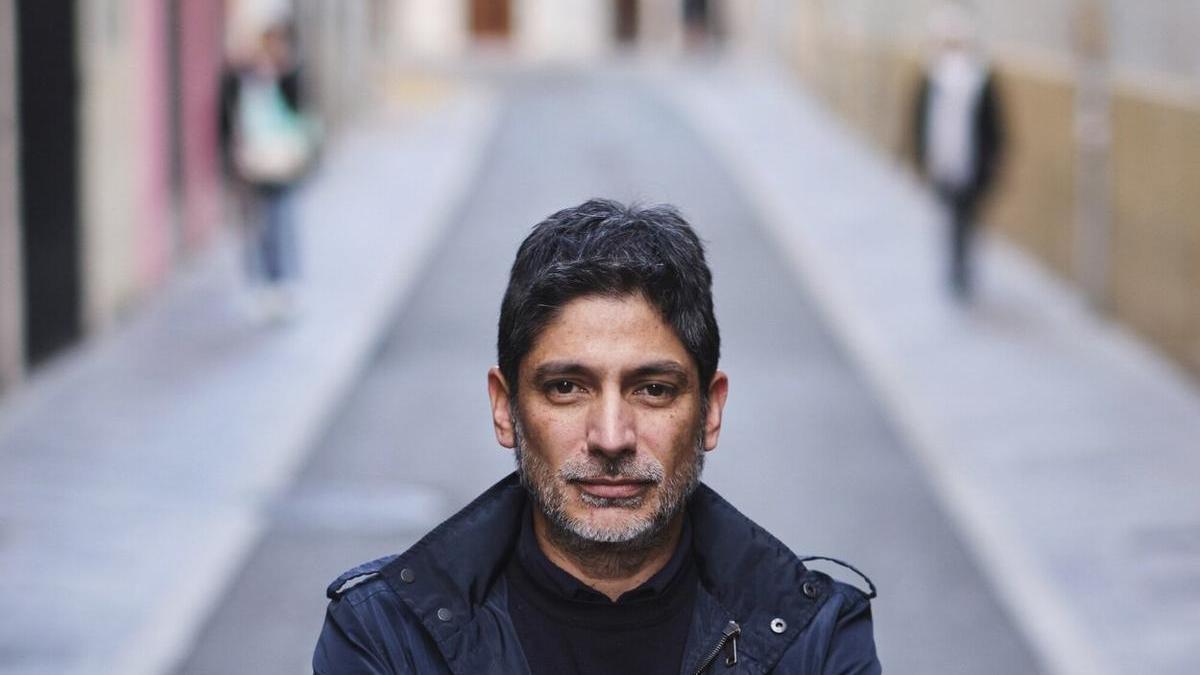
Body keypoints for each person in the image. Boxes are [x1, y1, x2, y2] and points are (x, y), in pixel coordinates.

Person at [312, 199, 881, 674]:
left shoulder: (816, 638)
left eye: (653, 390)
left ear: (710, 412)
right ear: (505, 408)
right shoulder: (384, 635)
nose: (611, 438)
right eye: (566, 387)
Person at [218, 17, 314, 321]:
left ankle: (285, 282)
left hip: (281, 163)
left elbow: (301, 110)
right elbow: (227, 119)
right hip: (251, 164)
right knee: (255, 227)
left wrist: (280, 73)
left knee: (281, 221)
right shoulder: (240, 78)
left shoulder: (288, 75)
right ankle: (261, 285)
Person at [911, 3, 1006, 300]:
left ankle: (963, 271)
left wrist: (993, 162)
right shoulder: (931, 77)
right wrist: (921, 157)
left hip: (973, 165)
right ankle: (954, 270)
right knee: (950, 218)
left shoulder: (981, 79)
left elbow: (995, 126)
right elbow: (920, 121)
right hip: (943, 161)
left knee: (967, 220)